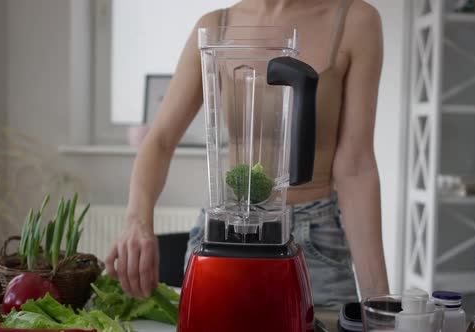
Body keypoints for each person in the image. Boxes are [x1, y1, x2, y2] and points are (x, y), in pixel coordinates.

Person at [106, 0, 389, 309]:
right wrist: (137, 221)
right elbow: (159, 140)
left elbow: (356, 167)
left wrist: (381, 306)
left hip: (315, 241)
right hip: (226, 234)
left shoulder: (355, 21)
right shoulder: (215, 26)